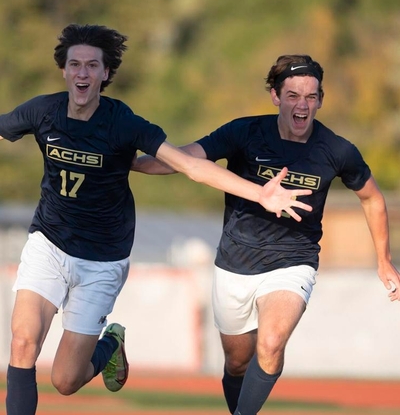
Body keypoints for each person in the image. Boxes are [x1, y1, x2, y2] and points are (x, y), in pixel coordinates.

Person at [0, 27, 313, 415]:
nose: (82, 73)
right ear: (64, 71)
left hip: (102, 258)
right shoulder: (42, 111)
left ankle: (109, 344)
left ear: (106, 73)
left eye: (92, 66)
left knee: (65, 380)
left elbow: (190, 166)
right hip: (48, 242)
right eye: (75, 64)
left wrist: (260, 193)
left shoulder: (124, 123)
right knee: (22, 342)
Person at [132, 54, 400, 415]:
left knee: (271, 343)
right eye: (293, 96)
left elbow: (372, 198)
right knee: (236, 363)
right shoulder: (244, 133)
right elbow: (187, 159)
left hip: (293, 262)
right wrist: (135, 164)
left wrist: (383, 260)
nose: (302, 105)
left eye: (311, 96)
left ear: (320, 100)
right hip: (235, 263)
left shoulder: (337, 150)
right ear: (275, 96)